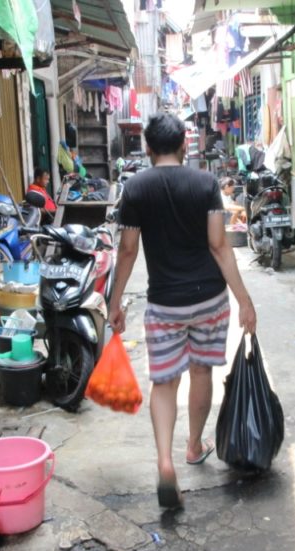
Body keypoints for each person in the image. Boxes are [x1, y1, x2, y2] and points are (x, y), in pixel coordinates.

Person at [108, 112, 257, 509]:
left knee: (165, 383)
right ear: (183, 145)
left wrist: (115, 301)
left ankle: (164, 463)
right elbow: (219, 246)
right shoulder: (206, 183)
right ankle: (194, 446)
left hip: (164, 304)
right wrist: (244, 298)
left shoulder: (135, 188)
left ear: (147, 148)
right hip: (209, 298)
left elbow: (127, 250)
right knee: (202, 371)